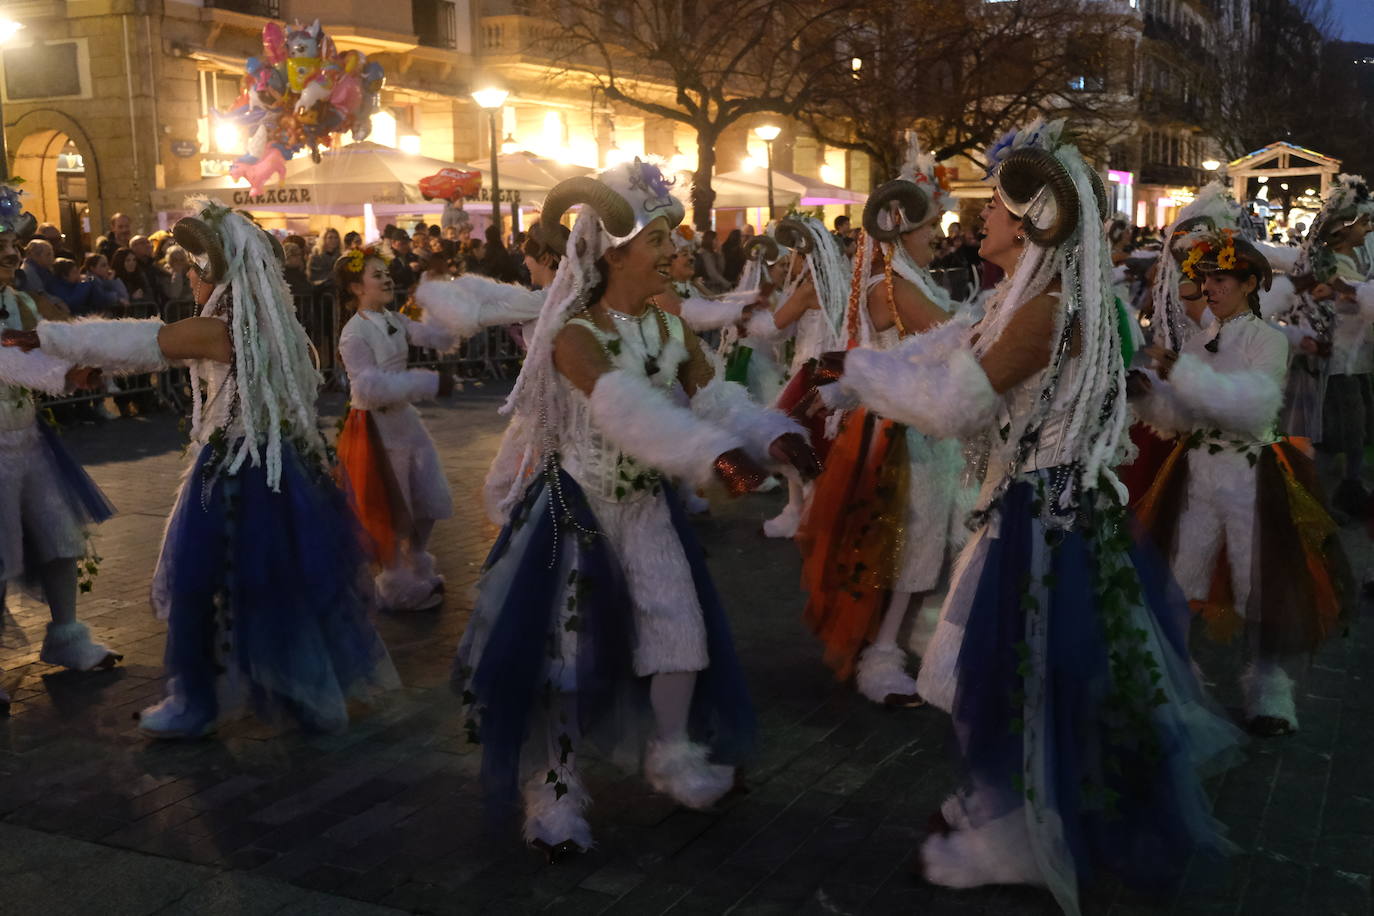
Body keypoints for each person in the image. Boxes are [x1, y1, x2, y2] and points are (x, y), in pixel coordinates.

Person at [816, 119, 1241, 911]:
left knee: (1001, 681)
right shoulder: (1023, 297)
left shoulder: (1047, 310)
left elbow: (952, 405)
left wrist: (866, 374)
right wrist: (863, 370)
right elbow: (952, 343)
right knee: (987, 677)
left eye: (998, 208)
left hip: (1043, 524)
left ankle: (1017, 833)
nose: (983, 218)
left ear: (1033, 220)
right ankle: (1003, 810)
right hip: (1032, 513)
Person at [453, 159, 817, 858]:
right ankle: (554, 787)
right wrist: (706, 454)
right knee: (564, 652)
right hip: (578, 515)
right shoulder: (575, 334)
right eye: (661, 241)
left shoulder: (669, 329)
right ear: (616, 252)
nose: (677, 254)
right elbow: (621, 407)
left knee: (679, 628)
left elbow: (717, 399)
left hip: (647, 509)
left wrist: (776, 438)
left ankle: (673, 756)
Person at [7, 199, 398, 739]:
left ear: (209, 272)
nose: (186, 282)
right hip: (291, 472)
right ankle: (304, 690)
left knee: (196, 591)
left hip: (237, 470)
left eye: (189, 272)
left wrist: (52, 338)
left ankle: (196, 701)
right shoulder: (287, 332)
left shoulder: (222, 327)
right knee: (288, 590)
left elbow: (144, 342)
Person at [1131, 227, 1353, 737]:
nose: (1209, 287)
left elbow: (1250, 408)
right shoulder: (1198, 338)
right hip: (1196, 474)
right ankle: (1177, 681)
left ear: (1250, 283)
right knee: (1180, 577)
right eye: (1205, 278)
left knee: (1262, 585)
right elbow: (1184, 418)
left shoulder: (1270, 341)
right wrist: (1148, 395)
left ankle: (1270, 687)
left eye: (1221, 278)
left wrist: (1182, 372)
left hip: (1252, 475)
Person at [798, 137, 970, 707]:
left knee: (921, 546)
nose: (939, 237)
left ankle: (891, 646)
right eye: (930, 228)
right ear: (902, 230)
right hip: (900, 436)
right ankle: (881, 654)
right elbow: (951, 338)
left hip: (916, 427)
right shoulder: (892, 283)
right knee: (907, 544)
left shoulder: (908, 279)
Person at [0, 184, 121, 710]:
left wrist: (82, 362)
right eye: (1, 244)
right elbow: (14, 363)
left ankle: (68, 635)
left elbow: (44, 348)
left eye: (11, 242)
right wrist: (64, 374)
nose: (11, 253)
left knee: (59, 536)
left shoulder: (19, 300)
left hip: (28, 440)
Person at [335, 245, 457, 611]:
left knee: (429, 499)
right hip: (374, 428)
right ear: (357, 287)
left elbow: (439, 338)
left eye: (385, 271)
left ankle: (417, 560)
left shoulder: (395, 319)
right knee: (387, 506)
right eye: (376, 274)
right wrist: (429, 384)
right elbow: (368, 389)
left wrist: (437, 294)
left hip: (404, 420)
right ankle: (395, 582)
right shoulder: (353, 333)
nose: (386, 277)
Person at [387, 229, 418, 308]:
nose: (406, 246)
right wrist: (408, 268)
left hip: (413, 298)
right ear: (393, 243)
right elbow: (392, 277)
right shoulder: (388, 258)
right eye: (402, 243)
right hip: (396, 300)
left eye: (407, 243)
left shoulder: (412, 256)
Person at [694, 228, 729, 293]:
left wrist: (720, 253)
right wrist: (727, 284)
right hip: (706, 287)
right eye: (716, 239)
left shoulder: (712, 253)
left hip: (714, 286)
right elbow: (712, 274)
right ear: (710, 240)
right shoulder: (704, 254)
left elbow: (721, 270)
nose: (718, 242)